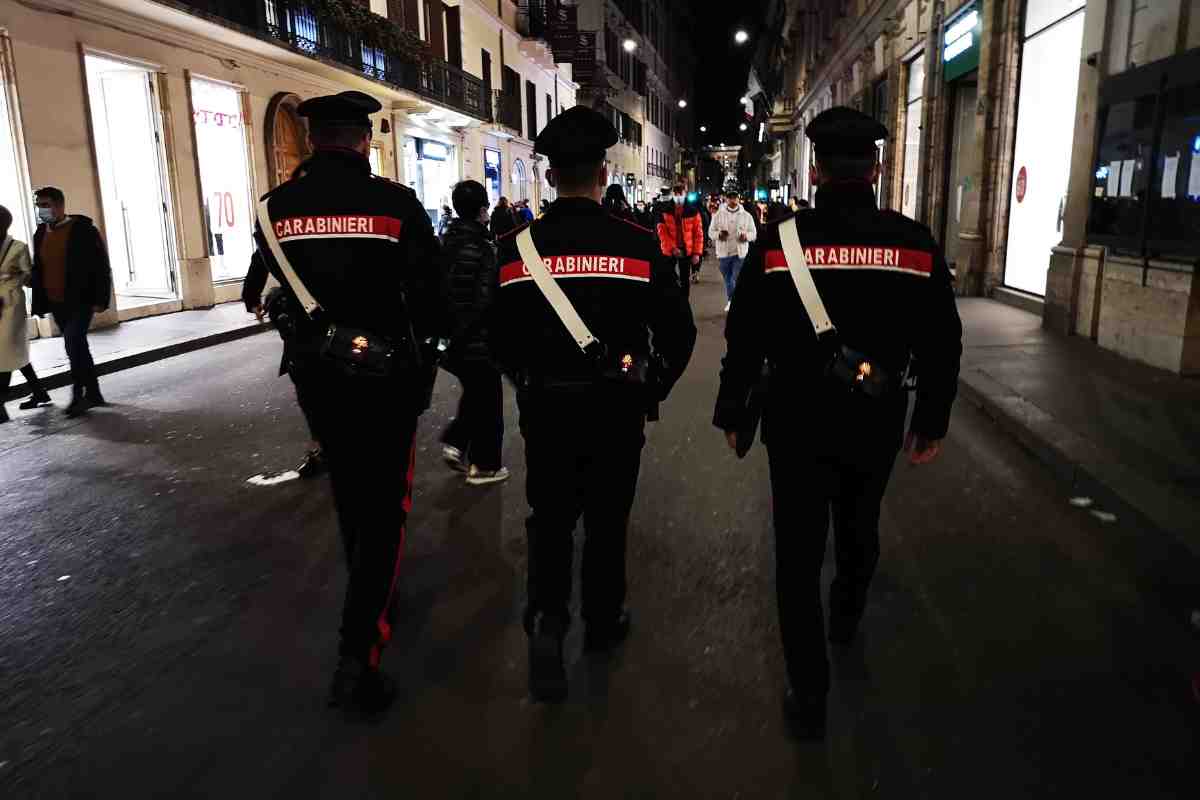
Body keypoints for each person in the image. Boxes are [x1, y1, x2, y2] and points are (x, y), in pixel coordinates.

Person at [713, 106, 962, 740]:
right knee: (860, 522)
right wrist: (931, 416)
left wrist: (735, 412)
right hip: (874, 416)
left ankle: (809, 689)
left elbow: (743, 335)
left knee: (797, 551)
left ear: (817, 170)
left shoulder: (780, 241)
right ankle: (846, 613)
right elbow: (942, 339)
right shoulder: (913, 242)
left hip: (796, 421)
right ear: (876, 168)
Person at [491, 106, 696, 703]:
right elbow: (679, 334)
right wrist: (651, 387)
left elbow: (494, 335)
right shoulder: (637, 243)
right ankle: (603, 622)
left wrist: (525, 380)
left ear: (551, 177)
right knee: (607, 518)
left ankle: (548, 623)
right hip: (615, 410)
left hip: (547, 409)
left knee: (550, 516)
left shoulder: (514, 248)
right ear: (603, 173)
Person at [252, 90, 445, 714]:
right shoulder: (396, 205)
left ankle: (372, 585)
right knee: (388, 504)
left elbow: (257, 292)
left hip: (317, 377)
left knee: (350, 494)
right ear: (365, 141)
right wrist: (427, 366)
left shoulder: (275, 211)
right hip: (387, 378)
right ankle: (359, 651)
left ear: (312, 142)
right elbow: (432, 295)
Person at [242, 162, 325, 479]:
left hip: (339, 315)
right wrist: (251, 295)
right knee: (306, 382)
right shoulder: (283, 220)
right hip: (301, 316)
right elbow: (260, 256)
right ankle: (319, 443)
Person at [440, 179, 508, 486]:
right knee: (489, 399)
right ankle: (485, 465)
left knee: (477, 392)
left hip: (450, 339)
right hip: (477, 339)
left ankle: (456, 443)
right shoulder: (484, 248)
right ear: (483, 211)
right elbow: (485, 299)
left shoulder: (444, 242)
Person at [30, 187, 112, 417]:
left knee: (73, 342)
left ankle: (78, 395)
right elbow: (40, 268)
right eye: (38, 205)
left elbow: (101, 266)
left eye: (45, 205)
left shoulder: (83, 230)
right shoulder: (40, 233)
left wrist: (101, 299)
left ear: (60, 205)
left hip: (81, 299)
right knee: (76, 347)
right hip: (57, 302)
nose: (41, 210)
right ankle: (94, 392)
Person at [0, 206, 51, 422]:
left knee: (6, 349)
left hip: (11, 303)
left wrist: (18, 278)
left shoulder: (18, 247)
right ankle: (39, 391)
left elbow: (29, 277)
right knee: (12, 349)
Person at [708, 190, 757, 311]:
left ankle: (735, 302)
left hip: (739, 253)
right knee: (728, 279)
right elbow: (710, 232)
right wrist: (719, 235)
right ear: (726, 199)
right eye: (730, 198)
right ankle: (731, 300)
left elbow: (754, 233)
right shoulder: (718, 215)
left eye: (735, 198)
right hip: (723, 254)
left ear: (738, 199)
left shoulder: (746, 215)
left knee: (736, 278)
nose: (732, 200)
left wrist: (746, 236)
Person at [653, 183, 704, 299]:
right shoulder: (665, 210)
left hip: (686, 250)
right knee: (667, 277)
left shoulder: (693, 211)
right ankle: (671, 301)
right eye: (676, 193)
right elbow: (662, 232)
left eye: (680, 193)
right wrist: (672, 248)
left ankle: (684, 302)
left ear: (684, 194)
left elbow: (698, 234)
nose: (678, 195)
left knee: (685, 279)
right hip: (670, 250)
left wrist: (697, 253)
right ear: (673, 194)